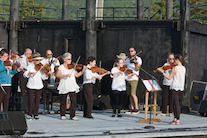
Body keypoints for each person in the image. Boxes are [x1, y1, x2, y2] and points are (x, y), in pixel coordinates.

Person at [56, 52, 87, 121]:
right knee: (63, 100)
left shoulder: (73, 67)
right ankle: (62, 114)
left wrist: (83, 70)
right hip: (64, 84)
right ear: (64, 59)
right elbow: (57, 75)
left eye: (70, 59)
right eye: (69, 59)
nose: (70, 61)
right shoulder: (61, 67)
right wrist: (65, 75)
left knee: (74, 101)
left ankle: (72, 115)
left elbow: (77, 75)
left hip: (72, 84)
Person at [158, 54, 186, 125]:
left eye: (174, 60)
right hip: (181, 87)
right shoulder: (183, 68)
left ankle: (177, 120)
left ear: (177, 60)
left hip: (175, 87)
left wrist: (163, 73)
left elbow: (169, 78)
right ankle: (175, 118)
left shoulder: (175, 68)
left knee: (176, 104)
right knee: (176, 103)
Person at [23, 52, 52, 120]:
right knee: (30, 100)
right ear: (34, 60)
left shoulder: (41, 67)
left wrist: (47, 74)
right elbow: (25, 75)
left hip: (39, 85)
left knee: (37, 100)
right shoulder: (30, 66)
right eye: (37, 60)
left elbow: (43, 77)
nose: (38, 62)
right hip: (31, 85)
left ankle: (36, 114)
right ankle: (29, 114)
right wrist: (30, 73)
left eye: (39, 60)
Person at [125, 47, 142, 114]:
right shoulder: (127, 59)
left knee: (133, 93)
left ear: (135, 52)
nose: (130, 52)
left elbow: (137, 69)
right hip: (128, 77)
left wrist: (135, 62)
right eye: (129, 51)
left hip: (134, 78)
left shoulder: (138, 59)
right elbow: (125, 68)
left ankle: (136, 108)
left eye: (132, 51)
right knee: (129, 94)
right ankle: (131, 108)